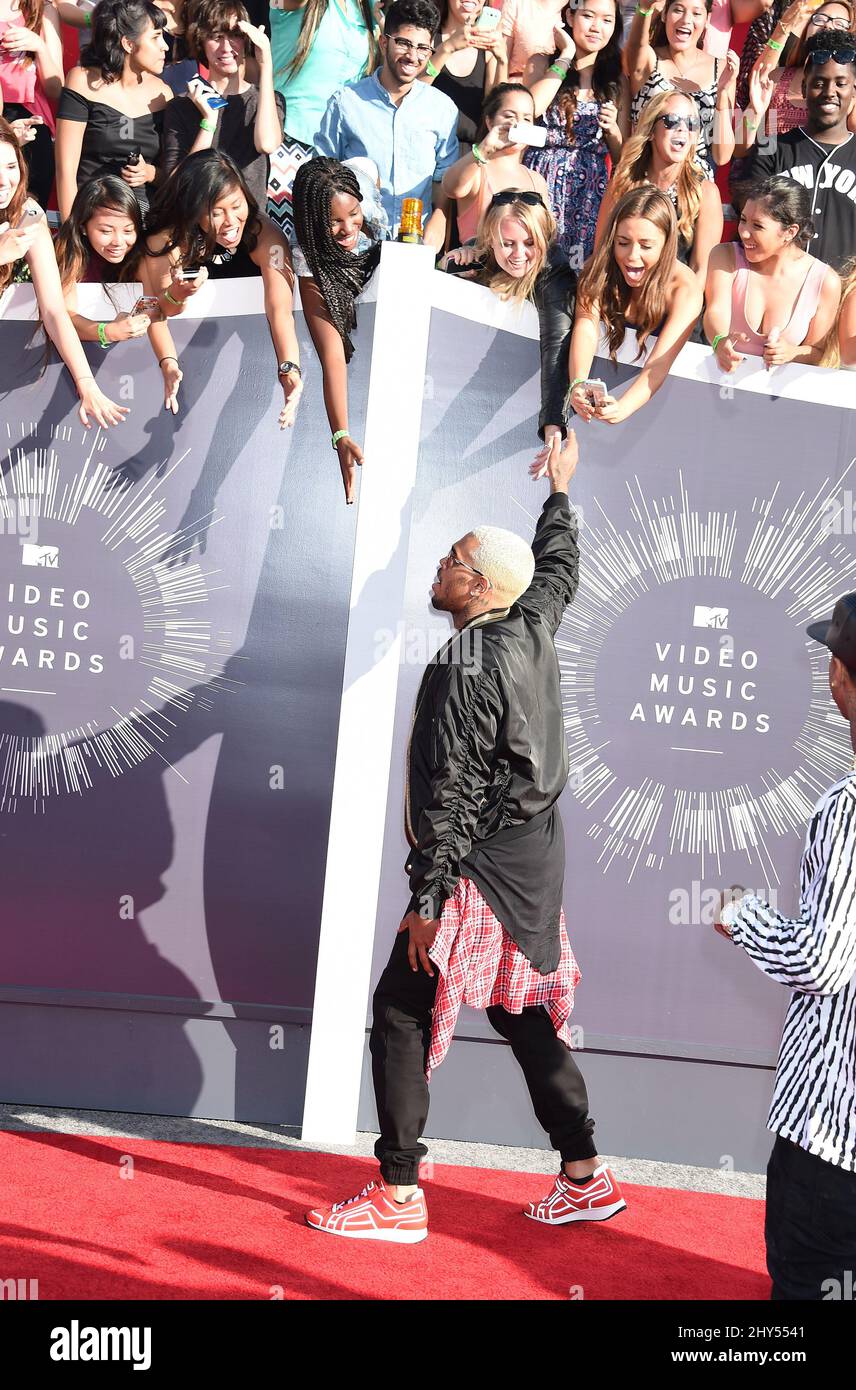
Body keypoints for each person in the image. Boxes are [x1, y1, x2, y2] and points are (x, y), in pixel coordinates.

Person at [305, 431, 628, 1243]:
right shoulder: (532, 624)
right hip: (532, 864)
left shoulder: (466, 660)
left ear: (477, 583)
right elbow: (558, 573)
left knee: (401, 1008)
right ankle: (585, 1175)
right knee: (523, 1013)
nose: (439, 567)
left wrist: (426, 900)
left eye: (451, 558)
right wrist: (560, 493)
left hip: (476, 868)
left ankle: (399, 1193)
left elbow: (450, 796)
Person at [715, 591, 856, 1301]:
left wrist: (743, 915)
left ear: (841, 676)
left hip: (835, 1135)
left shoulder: (848, 806)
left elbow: (821, 961)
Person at [132, 148, 303, 428]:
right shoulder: (165, 241)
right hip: (180, 361)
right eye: (216, 212)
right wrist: (180, 295)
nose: (231, 221)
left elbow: (280, 310)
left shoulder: (264, 234)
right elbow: (160, 308)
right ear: (194, 210)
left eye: (237, 206)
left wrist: (289, 369)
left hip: (247, 361)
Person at [0, 119, 128, 429]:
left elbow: (55, 311)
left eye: (10, 166)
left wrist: (86, 384)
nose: (5, 180)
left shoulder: (26, 215)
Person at [441, 189, 575, 467]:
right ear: (491, 240)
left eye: (530, 242)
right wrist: (448, 266)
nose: (519, 254)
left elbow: (557, 346)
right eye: (508, 243)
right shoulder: (480, 256)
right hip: (473, 390)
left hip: (522, 401)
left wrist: (553, 426)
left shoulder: (556, 275)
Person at [313, 0, 460, 247]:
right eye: (404, 43)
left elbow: (443, 174)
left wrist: (440, 216)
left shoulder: (442, 109)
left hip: (416, 240)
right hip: (356, 242)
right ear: (384, 42)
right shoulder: (346, 102)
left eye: (423, 48)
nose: (413, 56)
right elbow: (321, 173)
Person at [291, 156, 387, 503]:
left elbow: (368, 167)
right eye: (334, 221)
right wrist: (341, 434)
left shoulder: (372, 215)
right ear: (313, 222)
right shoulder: (306, 260)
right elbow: (332, 356)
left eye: (354, 215)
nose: (349, 229)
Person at [566, 185, 702, 424]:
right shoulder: (597, 270)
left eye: (646, 246)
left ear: (667, 244)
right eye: (623, 242)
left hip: (664, 412)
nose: (632, 255)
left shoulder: (684, 289)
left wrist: (623, 408)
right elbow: (585, 327)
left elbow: (659, 364)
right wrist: (578, 383)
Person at [52, 174, 183, 412]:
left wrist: (168, 363)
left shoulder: (142, 257)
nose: (118, 241)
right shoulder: (71, 252)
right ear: (83, 227)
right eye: (105, 230)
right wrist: (108, 331)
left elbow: (152, 313)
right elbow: (63, 317)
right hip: (69, 372)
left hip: (126, 372)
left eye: (128, 230)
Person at [524, 0, 629, 266]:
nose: (597, 27)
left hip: (588, 194)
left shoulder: (617, 79)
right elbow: (530, 110)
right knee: (532, 265)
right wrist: (565, 55)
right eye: (588, 16)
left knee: (576, 277)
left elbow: (623, 156)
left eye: (607, 20)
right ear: (570, 16)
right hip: (540, 180)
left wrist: (613, 130)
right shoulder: (541, 62)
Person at [744, 31, 856, 271]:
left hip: (846, 295)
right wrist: (755, 113)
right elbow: (750, 218)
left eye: (841, 83)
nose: (829, 91)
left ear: (854, 90)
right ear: (804, 88)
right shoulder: (771, 148)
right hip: (780, 289)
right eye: (818, 83)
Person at [704, 176, 840, 370]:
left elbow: (818, 351)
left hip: (778, 398)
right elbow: (715, 311)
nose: (744, 232)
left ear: (790, 232)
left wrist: (791, 353)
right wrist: (719, 341)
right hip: (716, 388)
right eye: (743, 220)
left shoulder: (826, 282)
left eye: (757, 226)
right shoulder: (724, 256)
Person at [55, 0, 174, 221]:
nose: (165, 46)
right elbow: (65, 170)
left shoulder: (164, 94)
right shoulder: (82, 81)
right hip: (92, 217)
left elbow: (175, 176)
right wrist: (70, 236)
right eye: (156, 37)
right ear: (128, 44)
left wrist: (150, 173)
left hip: (145, 220)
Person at [161, 0, 284, 208]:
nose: (226, 47)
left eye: (236, 35)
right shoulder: (182, 105)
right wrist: (209, 122)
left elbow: (266, 144)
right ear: (201, 42)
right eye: (216, 37)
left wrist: (265, 64)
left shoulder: (268, 100)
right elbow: (177, 182)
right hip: (199, 219)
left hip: (251, 223)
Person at [595, 88, 723, 282]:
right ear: (651, 131)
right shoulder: (622, 184)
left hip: (678, 303)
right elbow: (600, 257)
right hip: (622, 300)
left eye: (692, 123)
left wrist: (680, 309)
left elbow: (700, 271)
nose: (682, 129)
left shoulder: (705, 193)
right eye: (672, 121)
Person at [624, 0, 738, 176]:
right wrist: (645, 9)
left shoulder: (722, 69)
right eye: (678, 10)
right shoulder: (649, 59)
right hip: (644, 181)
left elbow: (722, 156)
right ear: (664, 15)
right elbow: (635, 46)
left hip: (695, 188)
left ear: (707, 19)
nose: (686, 20)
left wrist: (722, 95)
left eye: (696, 13)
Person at [734, 0, 856, 159]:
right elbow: (740, 149)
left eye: (840, 23)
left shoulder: (850, 91)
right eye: (819, 18)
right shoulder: (777, 78)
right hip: (774, 178)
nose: (828, 25)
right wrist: (755, 113)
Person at [440, 81, 550, 242]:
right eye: (509, 116)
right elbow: (451, 187)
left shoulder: (537, 180)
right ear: (489, 121)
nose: (518, 123)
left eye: (527, 118)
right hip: (478, 264)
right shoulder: (477, 170)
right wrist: (484, 149)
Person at [271, 0, 379, 152]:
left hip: (339, 144)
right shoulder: (280, 3)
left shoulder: (368, 7)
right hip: (287, 136)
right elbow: (275, 3)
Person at [0, 0, 63, 207]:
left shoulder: (43, 9)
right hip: (2, 117)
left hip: (31, 118)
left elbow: (56, 88)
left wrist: (39, 46)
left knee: (30, 209)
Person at [422, 0, 509, 150]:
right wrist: (447, 48)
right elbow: (415, 90)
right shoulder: (428, 37)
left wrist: (502, 61)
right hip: (429, 145)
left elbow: (495, 106)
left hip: (469, 153)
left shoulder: (488, 49)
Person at [499, 0, 565, 84]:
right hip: (519, 89)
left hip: (567, 90)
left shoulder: (579, 6)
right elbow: (500, 57)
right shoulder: (518, 4)